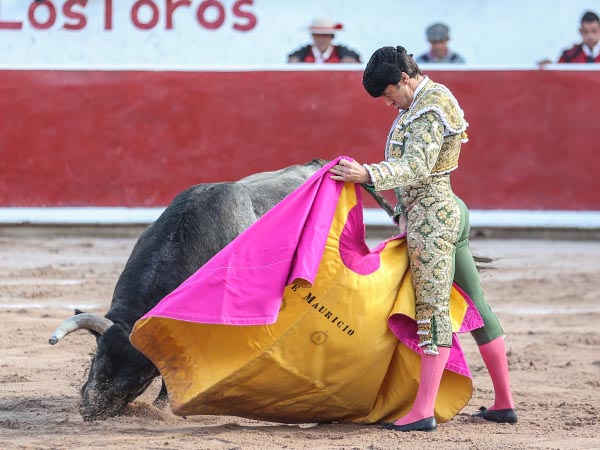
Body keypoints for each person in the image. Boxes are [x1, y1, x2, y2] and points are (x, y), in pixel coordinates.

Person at [328, 46, 516, 432]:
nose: (387, 102)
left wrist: (367, 175)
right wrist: (401, 212)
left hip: (433, 219)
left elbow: (417, 166)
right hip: (442, 210)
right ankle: (503, 403)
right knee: (475, 303)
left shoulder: (429, 108)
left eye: (387, 93)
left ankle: (423, 411)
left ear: (404, 79)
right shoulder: (418, 104)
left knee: (431, 310)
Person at [287, 18, 361, 64]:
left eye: (325, 36)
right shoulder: (301, 55)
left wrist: (354, 63)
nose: (321, 40)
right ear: (312, 37)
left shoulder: (345, 54)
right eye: (317, 36)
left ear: (331, 37)